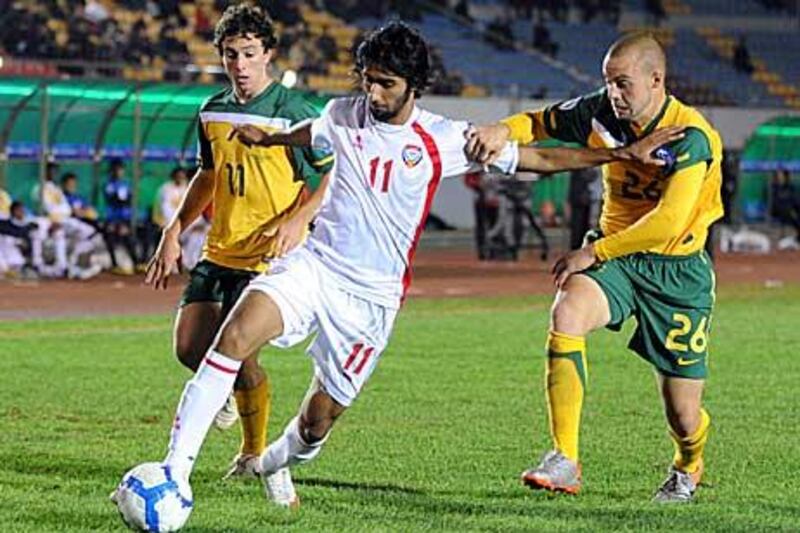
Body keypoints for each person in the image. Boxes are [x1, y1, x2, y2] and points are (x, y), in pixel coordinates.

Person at [130, 21, 680, 512]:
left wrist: (617, 155)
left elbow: (536, 160)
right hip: (316, 267)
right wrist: (272, 136)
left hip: (371, 300)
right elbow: (315, 134)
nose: (372, 93)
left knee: (318, 422)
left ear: (414, 87)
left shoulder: (440, 139)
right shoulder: (341, 112)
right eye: (367, 79)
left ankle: (274, 463)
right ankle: (176, 475)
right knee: (234, 337)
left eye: (385, 84)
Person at [466, 32, 723, 503]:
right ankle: (564, 458)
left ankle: (688, 463)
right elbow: (540, 123)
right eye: (608, 83)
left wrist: (591, 252)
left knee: (683, 416)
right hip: (617, 259)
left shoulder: (693, 136)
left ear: (656, 80)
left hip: (676, 274)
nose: (614, 95)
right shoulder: (602, 112)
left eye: (623, 84)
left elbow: (667, 223)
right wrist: (502, 131)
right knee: (567, 312)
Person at [143, 4, 333, 488]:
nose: (240, 64)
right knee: (189, 349)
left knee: (241, 355)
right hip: (220, 249)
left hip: (269, 257)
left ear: (268, 54)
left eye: (249, 53)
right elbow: (208, 175)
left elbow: (332, 176)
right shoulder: (211, 110)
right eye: (231, 55)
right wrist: (174, 229)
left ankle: (253, 453)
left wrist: (297, 219)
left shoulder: (294, 114)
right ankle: (224, 391)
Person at [153, 166, 208, 271]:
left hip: (187, 225)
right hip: (169, 225)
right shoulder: (165, 190)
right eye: (178, 176)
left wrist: (200, 223)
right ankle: (179, 263)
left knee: (201, 232)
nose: (180, 179)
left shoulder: (187, 189)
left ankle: (190, 262)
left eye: (182, 177)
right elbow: (163, 210)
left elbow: (194, 209)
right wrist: (164, 224)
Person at [103, 158, 141, 274]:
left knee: (135, 234)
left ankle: (137, 262)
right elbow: (115, 200)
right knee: (110, 235)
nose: (119, 172)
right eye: (116, 169)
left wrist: (124, 200)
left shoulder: (126, 184)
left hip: (127, 217)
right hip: (113, 218)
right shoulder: (109, 184)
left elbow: (129, 199)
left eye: (120, 169)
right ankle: (114, 264)